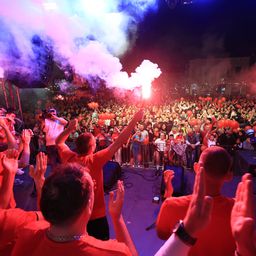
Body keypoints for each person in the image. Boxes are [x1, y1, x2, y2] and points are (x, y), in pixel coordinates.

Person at [11, 163, 137, 256]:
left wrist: (40, 185)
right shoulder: (112, 252)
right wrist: (117, 218)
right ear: (89, 204)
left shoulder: (27, 234)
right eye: (93, 189)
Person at [55, 109, 143, 240]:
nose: (96, 142)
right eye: (94, 142)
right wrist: (135, 120)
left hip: (75, 216)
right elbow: (119, 141)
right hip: (96, 217)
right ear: (91, 147)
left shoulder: (69, 157)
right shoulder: (94, 160)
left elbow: (59, 142)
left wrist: (69, 129)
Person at [156, 146, 236, 256]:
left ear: (196, 167)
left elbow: (162, 234)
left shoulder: (170, 205)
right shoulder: (239, 213)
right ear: (229, 176)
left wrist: (168, 195)